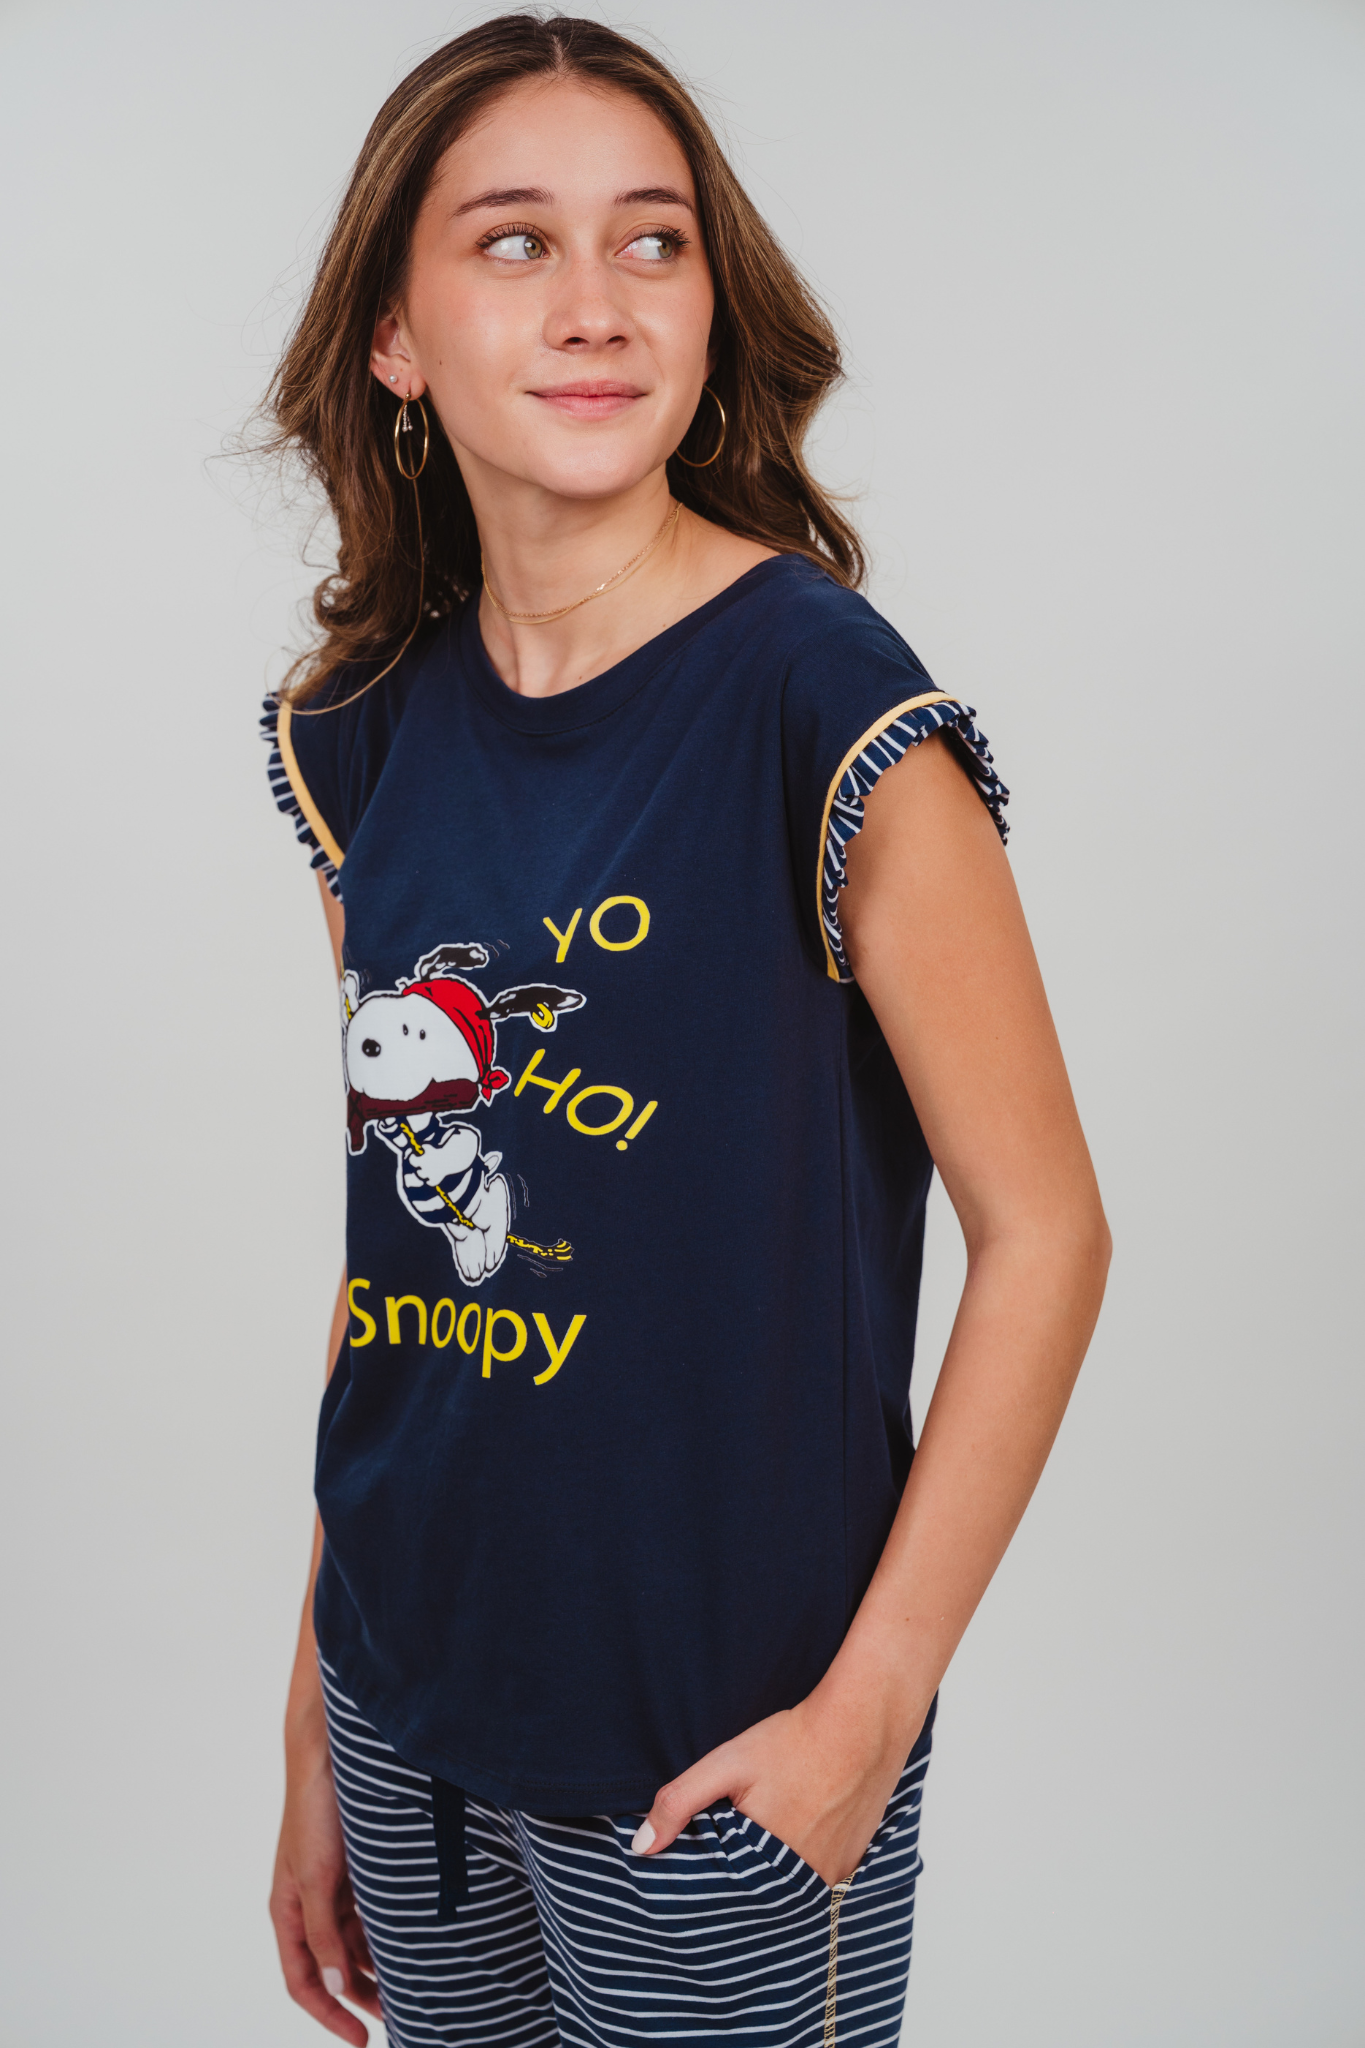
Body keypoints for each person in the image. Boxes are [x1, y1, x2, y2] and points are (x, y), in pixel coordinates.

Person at [260, 15, 1110, 2046]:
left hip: (724, 1757)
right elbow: (400, 1255)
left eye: (652, 242)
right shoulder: (362, 727)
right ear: (394, 335)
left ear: (714, 312)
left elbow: (1049, 1235)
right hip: (405, 1708)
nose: (597, 303)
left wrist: (862, 1720)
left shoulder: (821, 697)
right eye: (515, 241)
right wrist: (313, 1713)